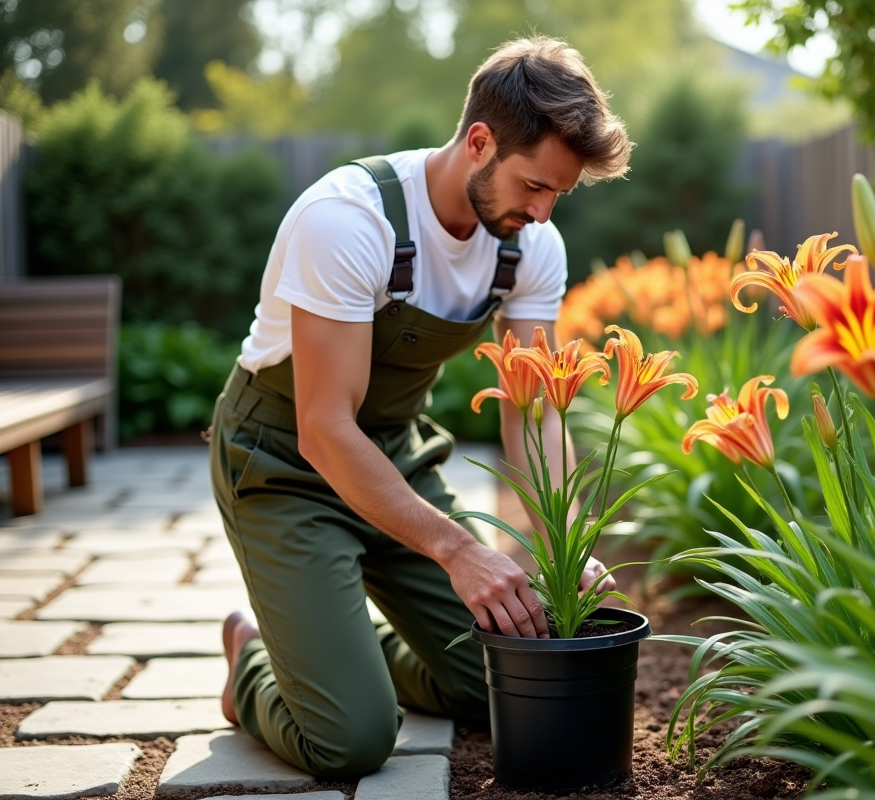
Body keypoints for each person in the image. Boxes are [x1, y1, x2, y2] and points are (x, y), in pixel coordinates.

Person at [208, 36, 632, 779]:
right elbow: (326, 430)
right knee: (350, 740)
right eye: (534, 185)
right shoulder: (347, 220)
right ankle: (253, 655)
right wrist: (459, 549)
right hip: (282, 464)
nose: (542, 212)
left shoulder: (530, 247)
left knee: (495, 678)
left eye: (557, 194)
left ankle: (331, 647)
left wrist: (561, 542)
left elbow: (534, 414)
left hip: (395, 452)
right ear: (478, 142)